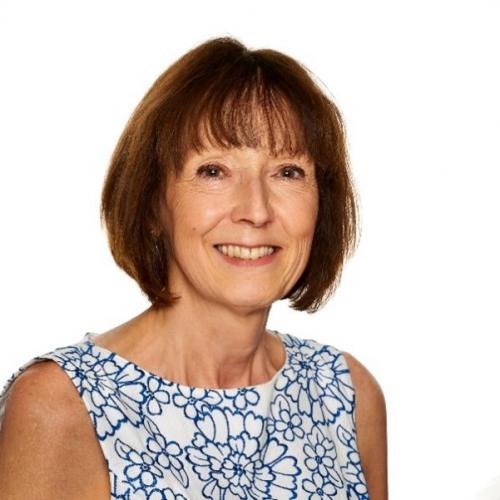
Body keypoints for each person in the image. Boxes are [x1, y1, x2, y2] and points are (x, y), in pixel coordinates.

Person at [0, 36, 387, 499]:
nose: (256, 210)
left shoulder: (345, 393)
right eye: (213, 171)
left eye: (288, 172)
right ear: (151, 203)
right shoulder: (61, 406)